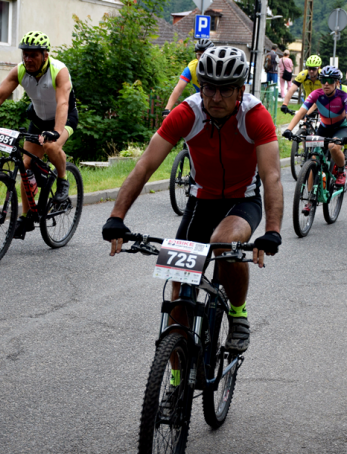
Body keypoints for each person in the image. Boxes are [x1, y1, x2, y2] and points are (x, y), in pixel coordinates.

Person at [102, 46, 283, 354]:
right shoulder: (187, 113)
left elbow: (272, 177)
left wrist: (273, 230)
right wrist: (116, 216)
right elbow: (145, 165)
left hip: (243, 200)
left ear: (240, 90)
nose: (215, 97)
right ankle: (174, 383)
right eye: (209, 87)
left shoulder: (255, 116)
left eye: (225, 90)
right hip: (201, 201)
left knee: (224, 241)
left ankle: (238, 315)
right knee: (178, 294)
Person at [0, 31, 77, 239]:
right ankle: (27, 216)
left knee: (51, 147)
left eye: (33, 55)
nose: (28, 59)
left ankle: (63, 180)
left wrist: (56, 132)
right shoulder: (20, 71)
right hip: (38, 121)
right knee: (26, 165)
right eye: (25, 54)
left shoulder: (59, 71)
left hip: (63, 119)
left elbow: (63, 103)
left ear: (45, 55)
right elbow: (0, 94)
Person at [282, 66, 347, 201]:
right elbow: (302, 112)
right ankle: (311, 197)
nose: (326, 83)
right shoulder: (316, 94)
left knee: (333, 146)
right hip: (324, 127)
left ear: (337, 82)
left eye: (330, 80)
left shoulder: (344, 96)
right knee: (314, 158)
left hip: (340, 128)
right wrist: (289, 129)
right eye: (323, 80)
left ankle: (340, 171)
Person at [163, 39, 214, 116]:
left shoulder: (218, 67)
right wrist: (167, 109)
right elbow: (178, 89)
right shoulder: (192, 68)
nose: (201, 58)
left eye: (205, 55)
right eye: (199, 55)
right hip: (202, 102)